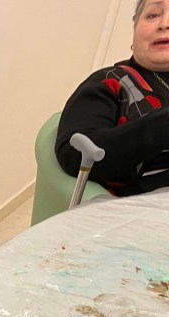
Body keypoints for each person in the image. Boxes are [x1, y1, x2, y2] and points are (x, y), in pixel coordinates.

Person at [57, 0, 169, 195]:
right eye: (152, 15)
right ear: (134, 30)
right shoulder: (110, 81)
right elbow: (74, 155)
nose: (165, 24)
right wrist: (162, 125)